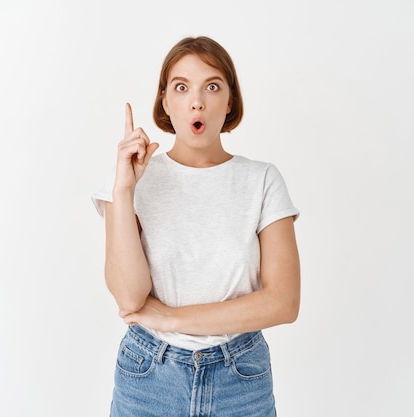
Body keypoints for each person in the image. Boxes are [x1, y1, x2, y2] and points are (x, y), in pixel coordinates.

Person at [92, 36, 300, 417]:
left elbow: (283, 302)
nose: (197, 101)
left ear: (230, 101)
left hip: (241, 378)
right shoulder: (132, 179)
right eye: (182, 87)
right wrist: (123, 191)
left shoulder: (262, 180)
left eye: (213, 86)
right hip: (148, 376)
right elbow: (130, 298)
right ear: (165, 103)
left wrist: (173, 317)